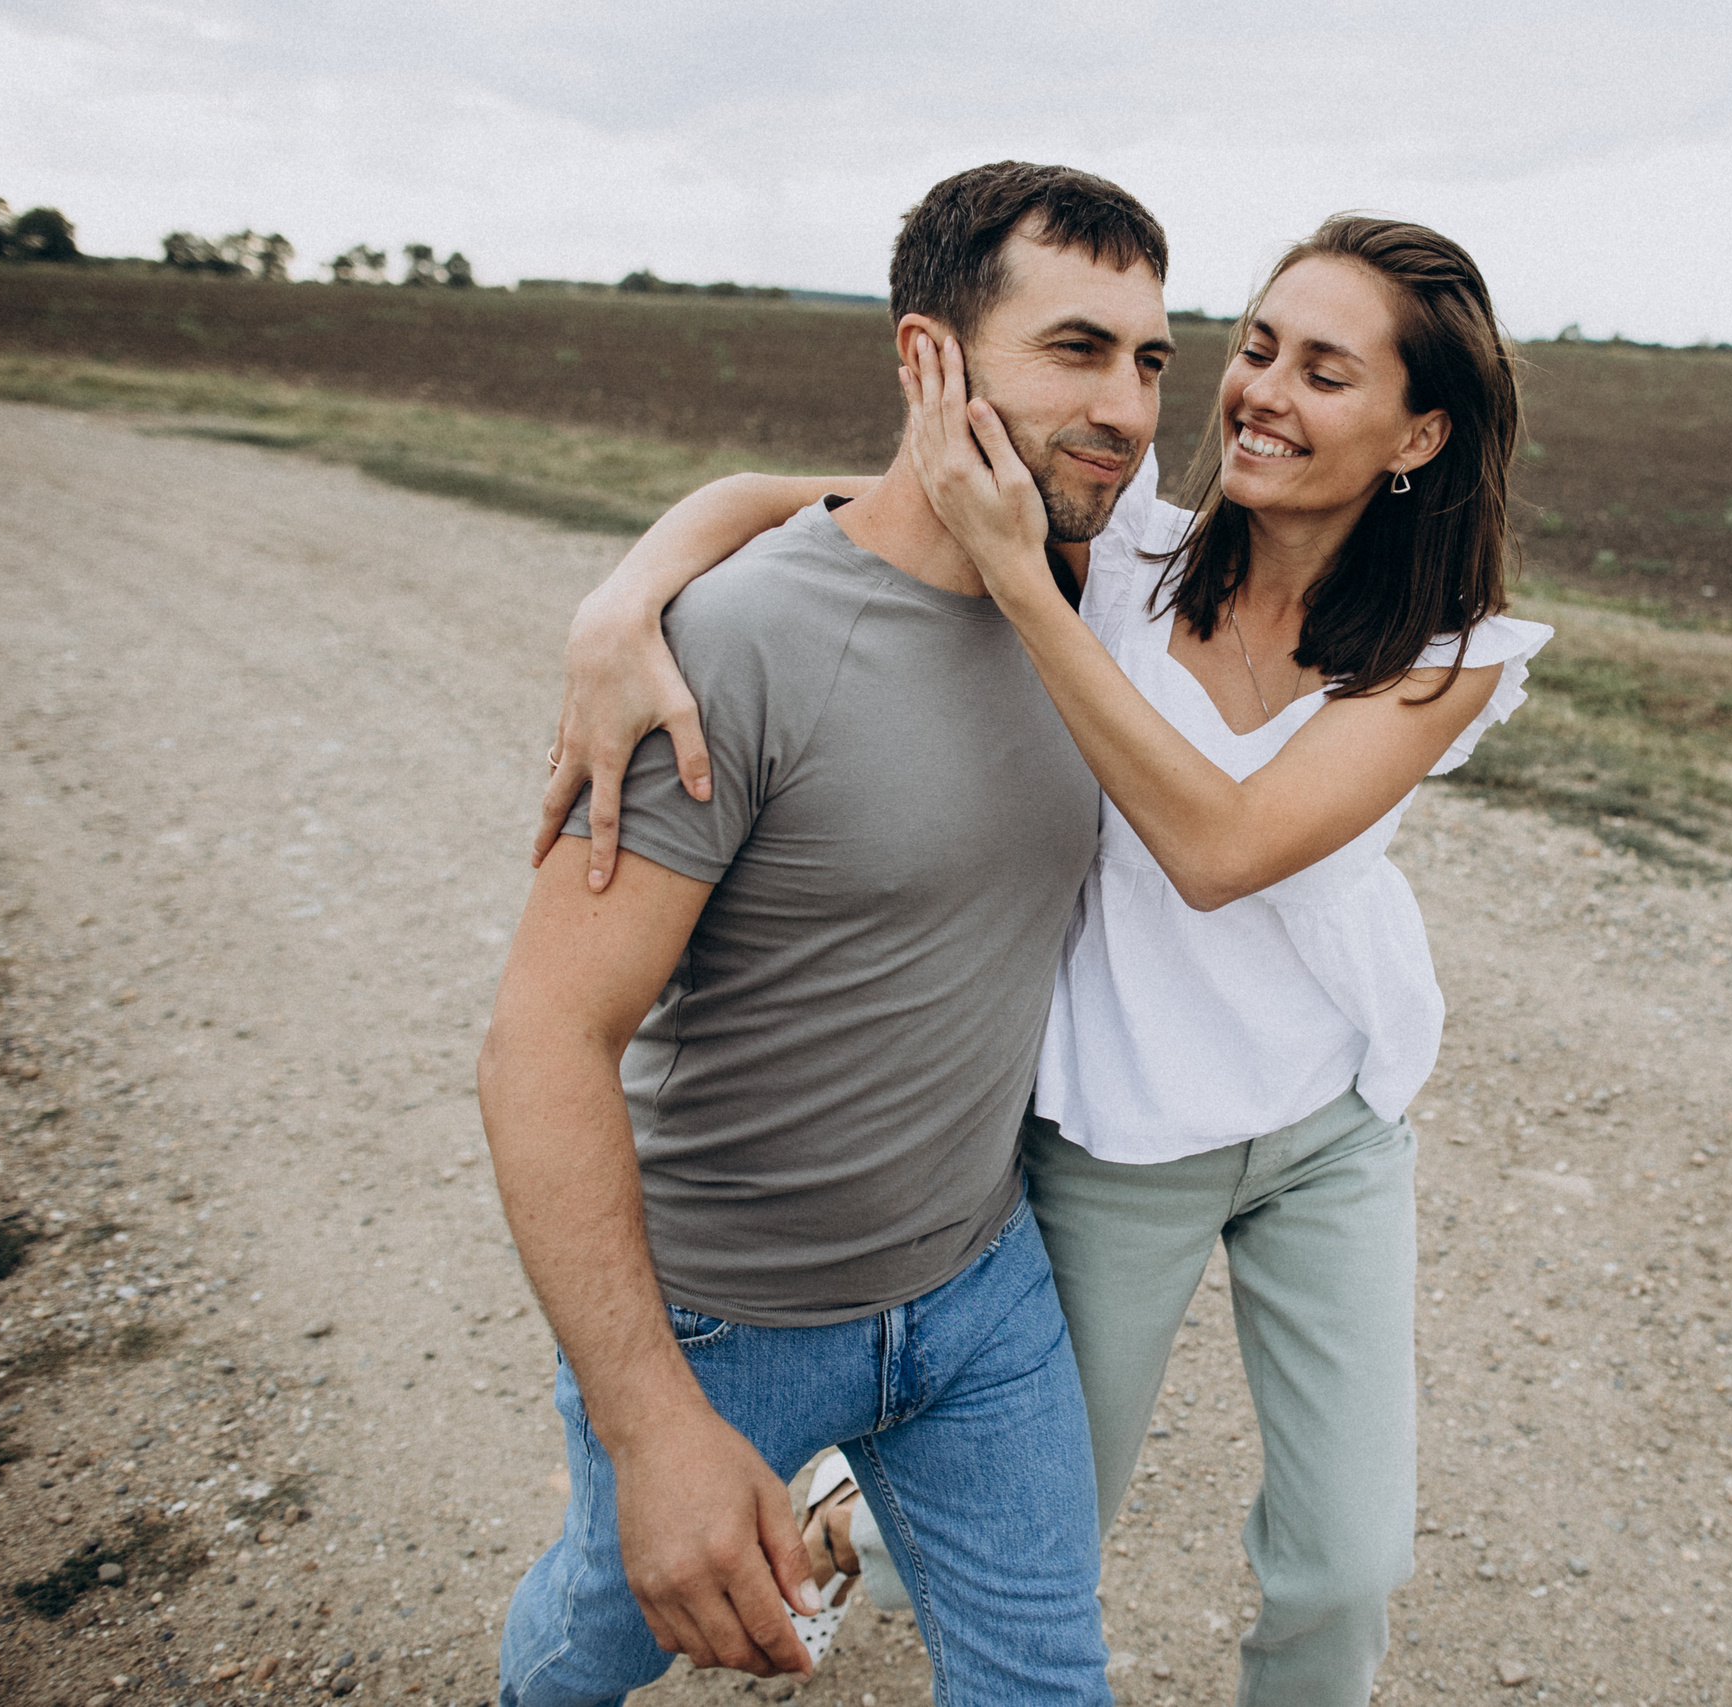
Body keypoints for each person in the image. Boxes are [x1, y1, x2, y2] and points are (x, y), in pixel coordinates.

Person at [547, 213, 1551, 1707]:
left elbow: (1221, 848)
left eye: (1324, 372)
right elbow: (824, 499)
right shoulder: (1129, 540)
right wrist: (621, 602)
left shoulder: (1444, 652)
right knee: (1039, 1520)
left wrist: (1028, 584)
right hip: (1122, 1132)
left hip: (1326, 1128)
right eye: (1257, 347)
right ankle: (845, 1530)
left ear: (1418, 432)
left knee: (1348, 1562)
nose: (1257, 392)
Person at [479, 160, 1182, 1707]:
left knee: (1048, 1681)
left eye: (1150, 359)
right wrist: (657, 1426)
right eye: (1076, 348)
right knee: (597, 1644)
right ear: (928, 358)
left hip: (983, 1291)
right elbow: (544, 1038)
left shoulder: (1093, 603)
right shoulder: (730, 642)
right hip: (722, 1313)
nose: (1129, 408)